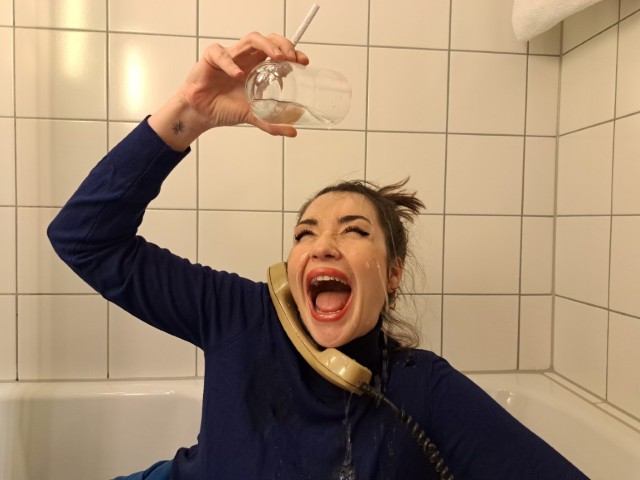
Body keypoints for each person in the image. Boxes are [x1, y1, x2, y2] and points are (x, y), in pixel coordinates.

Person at [47, 32, 587, 480]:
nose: (323, 244)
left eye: (354, 231)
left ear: (393, 273)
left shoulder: (420, 388)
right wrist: (189, 111)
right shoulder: (242, 316)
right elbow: (83, 238)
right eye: (305, 234)